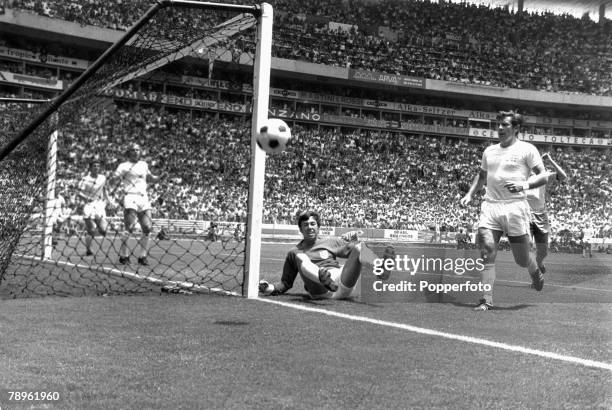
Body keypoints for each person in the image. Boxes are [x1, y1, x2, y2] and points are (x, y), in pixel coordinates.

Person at [460, 111, 549, 311]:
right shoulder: (489, 151)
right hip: (490, 206)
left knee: (522, 259)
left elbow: (543, 176)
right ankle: (486, 299)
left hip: (515, 207)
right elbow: (481, 176)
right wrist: (470, 194)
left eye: (505, 125)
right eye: (498, 124)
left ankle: (534, 270)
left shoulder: (527, 149)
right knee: (487, 251)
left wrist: (524, 186)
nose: (500, 128)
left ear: (516, 128)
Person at [259, 211, 394, 300]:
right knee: (301, 257)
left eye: (313, 224)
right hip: (321, 291)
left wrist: (351, 241)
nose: (310, 227)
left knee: (359, 247)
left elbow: (349, 249)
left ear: (318, 227)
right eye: (305, 225)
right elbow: (285, 284)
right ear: (300, 229)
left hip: (343, 283)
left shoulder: (330, 241)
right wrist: (268, 288)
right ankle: (322, 278)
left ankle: (380, 269)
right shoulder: (294, 252)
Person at [110, 143, 159, 266]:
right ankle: (124, 255)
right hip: (130, 196)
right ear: (129, 152)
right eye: (133, 150)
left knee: (147, 228)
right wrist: (113, 178)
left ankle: (142, 256)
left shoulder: (144, 164)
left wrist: (160, 177)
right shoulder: (123, 166)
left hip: (144, 197)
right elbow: (114, 178)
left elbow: (151, 178)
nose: (136, 152)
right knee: (130, 227)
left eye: (137, 150)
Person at [525, 152, 567, 273]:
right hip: (526, 215)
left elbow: (563, 176)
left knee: (543, 251)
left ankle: (539, 261)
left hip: (541, 215)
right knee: (528, 247)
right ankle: (535, 275)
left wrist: (550, 159)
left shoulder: (543, 176)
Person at [77, 159, 111, 256]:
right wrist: (87, 198)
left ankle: (91, 234)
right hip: (88, 205)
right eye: (94, 166)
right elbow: (79, 193)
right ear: (90, 168)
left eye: (98, 166)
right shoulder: (85, 179)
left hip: (99, 205)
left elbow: (105, 190)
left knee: (103, 230)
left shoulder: (103, 178)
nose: (96, 168)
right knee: (91, 229)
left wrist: (109, 201)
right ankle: (89, 249)